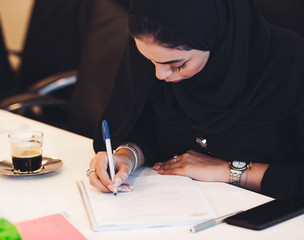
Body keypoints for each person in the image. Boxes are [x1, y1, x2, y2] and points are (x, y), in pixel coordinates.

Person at [88, 0, 304, 201]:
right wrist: (127, 156)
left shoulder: (289, 66)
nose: (160, 75)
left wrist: (230, 170)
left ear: (213, 36)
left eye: (177, 65)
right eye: (150, 60)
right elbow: (148, 127)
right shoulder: (157, 51)